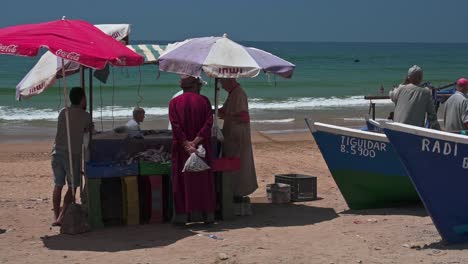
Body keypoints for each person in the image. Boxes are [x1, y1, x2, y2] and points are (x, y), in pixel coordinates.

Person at [168, 75, 216, 225]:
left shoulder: (174, 103)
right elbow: (208, 124)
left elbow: (175, 126)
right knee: (204, 181)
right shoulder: (205, 101)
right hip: (201, 147)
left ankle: (182, 217)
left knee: (182, 182)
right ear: (196, 86)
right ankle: (208, 215)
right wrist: (195, 142)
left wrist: (186, 144)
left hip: (182, 149)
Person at [51, 87, 91, 226]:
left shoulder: (63, 112)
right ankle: (61, 217)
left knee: (58, 185)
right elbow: (89, 130)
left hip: (57, 152)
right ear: (82, 99)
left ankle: (56, 216)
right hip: (72, 153)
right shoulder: (86, 116)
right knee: (73, 186)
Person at [219, 78, 258, 215]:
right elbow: (225, 111)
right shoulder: (233, 94)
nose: (221, 86)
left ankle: (238, 193)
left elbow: (243, 117)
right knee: (233, 164)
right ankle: (235, 192)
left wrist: (227, 116)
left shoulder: (239, 94)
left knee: (238, 165)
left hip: (238, 136)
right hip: (232, 134)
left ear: (229, 81)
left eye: (222, 83)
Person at [389, 65, 440, 130]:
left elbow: (391, 94)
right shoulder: (425, 92)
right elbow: (432, 116)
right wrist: (439, 131)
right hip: (414, 132)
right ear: (420, 77)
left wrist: (404, 82)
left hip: (397, 129)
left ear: (408, 77)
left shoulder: (401, 88)